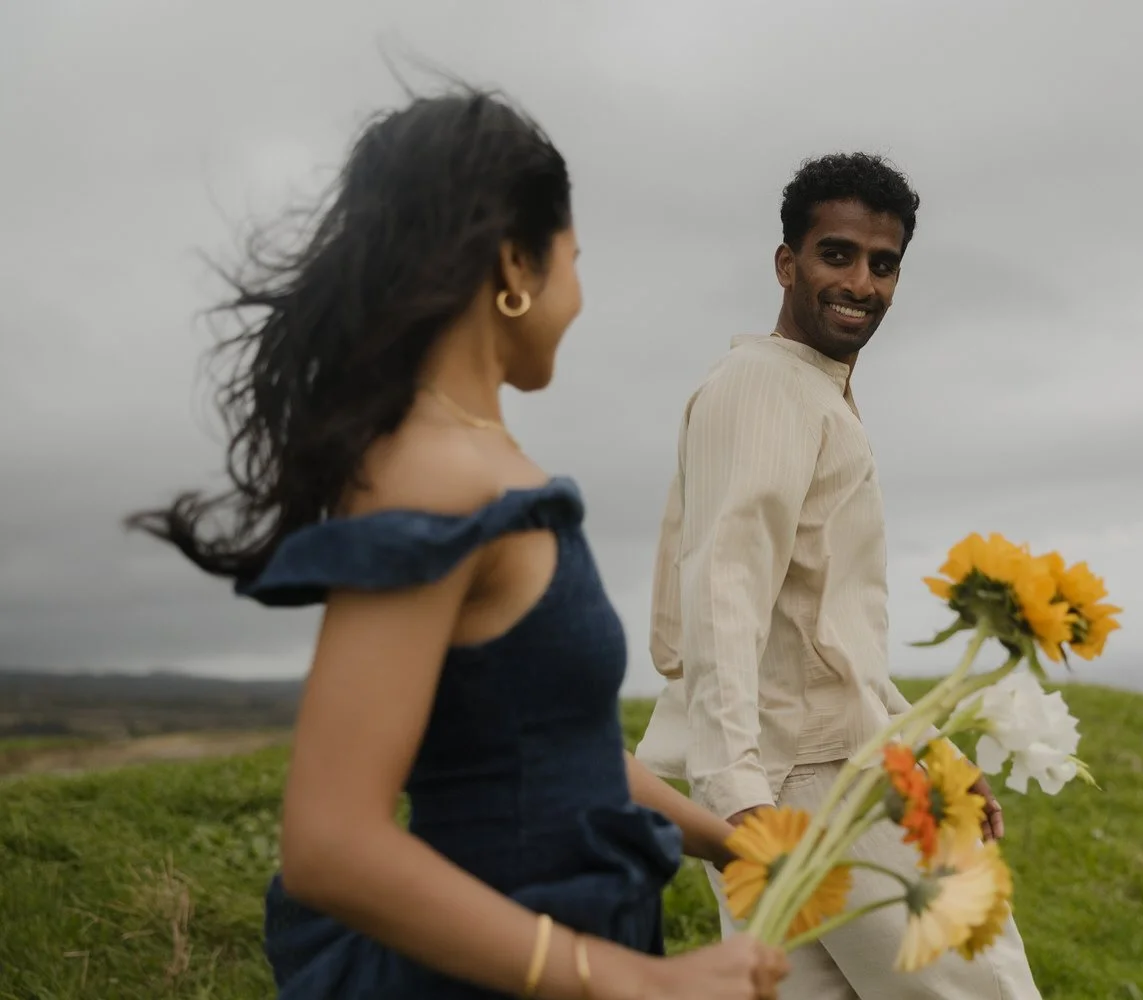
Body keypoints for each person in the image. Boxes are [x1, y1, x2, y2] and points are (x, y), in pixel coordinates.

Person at [127, 85, 788, 1000]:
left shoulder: (479, 462)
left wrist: (736, 841)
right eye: (575, 261)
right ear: (517, 263)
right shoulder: (429, 478)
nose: (582, 296)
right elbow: (329, 844)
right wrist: (635, 981)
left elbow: (562, 748)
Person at [633, 153, 1045, 999]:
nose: (861, 281)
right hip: (817, 788)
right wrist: (738, 792)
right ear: (787, 263)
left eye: (883, 263)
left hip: (795, 776)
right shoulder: (764, 388)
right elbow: (726, 591)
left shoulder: (810, 393)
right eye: (837, 255)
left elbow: (822, 633)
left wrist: (931, 746)